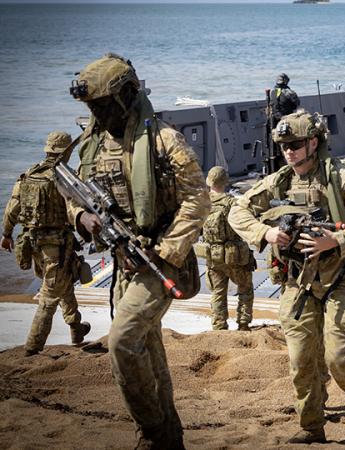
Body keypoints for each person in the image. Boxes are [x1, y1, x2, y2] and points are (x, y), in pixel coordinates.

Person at [68, 53, 210, 449]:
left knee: (122, 342)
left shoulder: (164, 141)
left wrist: (166, 250)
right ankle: (169, 436)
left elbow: (198, 200)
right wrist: (82, 217)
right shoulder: (93, 146)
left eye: (102, 105)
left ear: (127, 96)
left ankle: (150, 433)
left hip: (159, 261)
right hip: (122, 261)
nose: (97, 113)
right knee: (147, 348)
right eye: (91, 107)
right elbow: (74, 194)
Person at [229, 111, 345, 444]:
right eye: (284, 145)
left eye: (296, 144)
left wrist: (336, 240)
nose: (290, 151)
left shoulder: (339, 178)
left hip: (339, 278)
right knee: (301, 360)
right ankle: (312, 426)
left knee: (339, 356)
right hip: (297, 282)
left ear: (313, 142)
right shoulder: (280, 181)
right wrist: (266, 232)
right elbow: (236, 211)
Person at [1, 131, 91, 357]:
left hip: (34, 244)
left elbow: (13, 208)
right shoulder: (65, 178)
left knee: (64, 282)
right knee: (50, 294)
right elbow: (77, 210)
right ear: (66, 152)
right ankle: (33, 346)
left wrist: (6, 234)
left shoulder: (30, 174)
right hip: (57, 247)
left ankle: (76, 328)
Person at [199, 166, 256, 331]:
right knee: (245, 288)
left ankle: (219, 326)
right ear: (225, 181)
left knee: (218, 291)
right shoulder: (233, 202)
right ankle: (243, 324)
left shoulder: (203, 203)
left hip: (213, 256)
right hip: (235, 255)